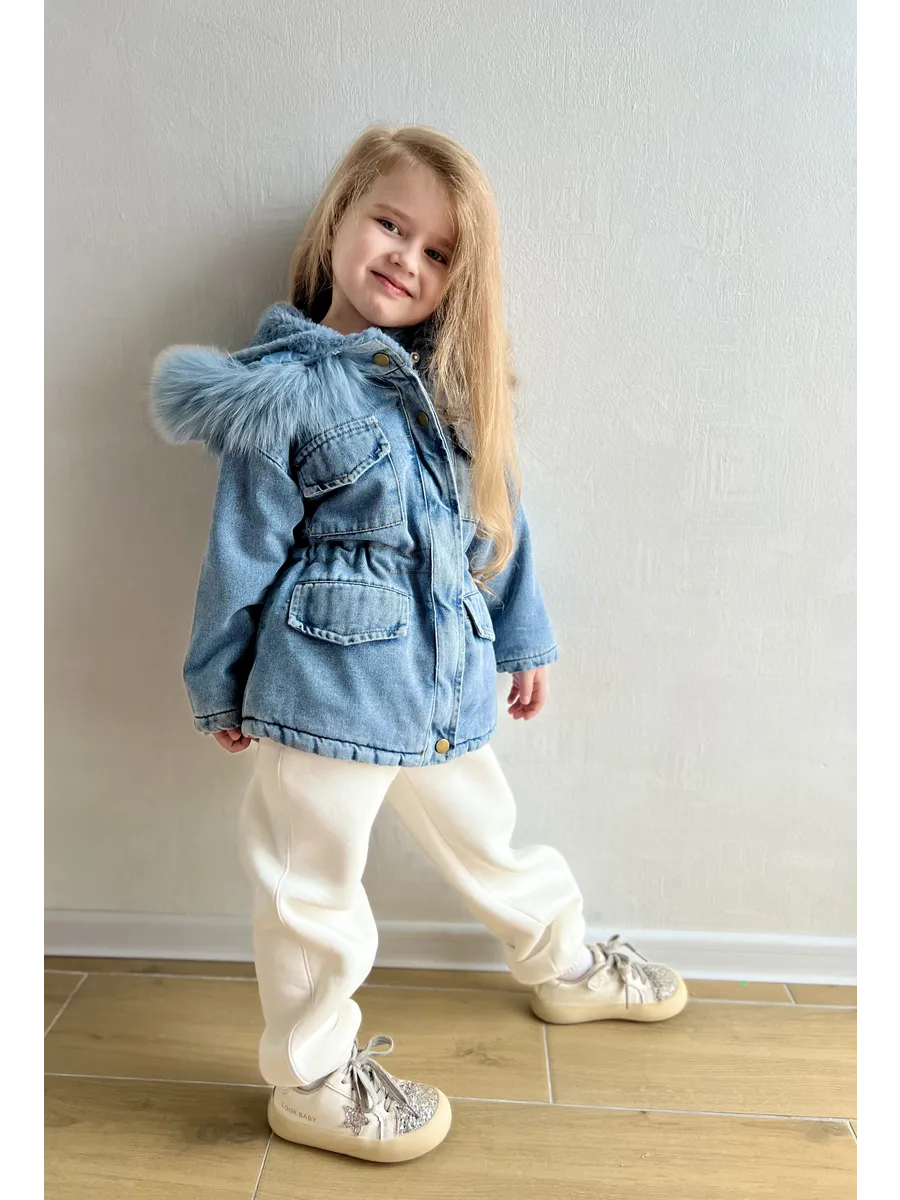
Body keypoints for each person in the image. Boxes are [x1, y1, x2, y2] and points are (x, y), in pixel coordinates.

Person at [149, 124, 688, 1165]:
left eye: (438, 251)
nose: (406, 258)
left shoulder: (447, 393)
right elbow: (239, 554)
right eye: (389, 225)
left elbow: (499, 520)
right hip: (321, 685)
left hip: (441, 680)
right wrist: (220, 682)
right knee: (310, 885)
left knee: (490, 834)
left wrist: (522, 638)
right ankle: (310, 1077)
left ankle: (563, 961)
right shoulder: (284, 388)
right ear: (339, 221)